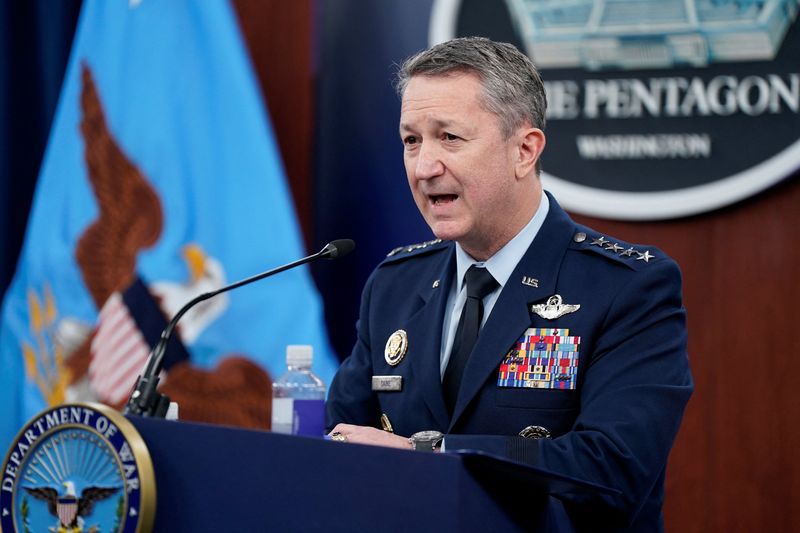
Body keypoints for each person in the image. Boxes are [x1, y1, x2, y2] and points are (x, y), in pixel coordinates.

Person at [326, 36, 693, 531]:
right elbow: (339, 438)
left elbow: (612, 468)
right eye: (411, 140)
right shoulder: (394, 283)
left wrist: (427, 454)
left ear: (524, 150)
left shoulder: (627, 287)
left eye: (449, 137)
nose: (424, 166)